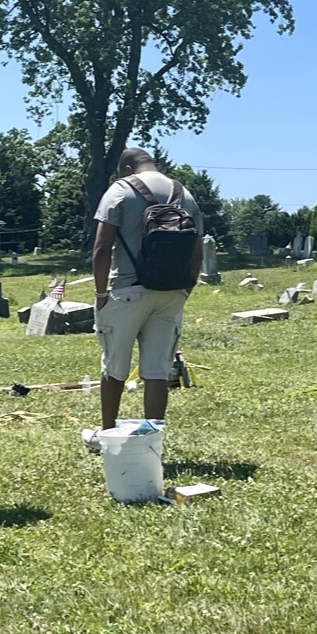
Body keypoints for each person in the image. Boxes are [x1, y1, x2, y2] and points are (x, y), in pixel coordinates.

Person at [90, 148, 203, 433]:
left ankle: (108, 433)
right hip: (171, 292)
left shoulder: (120, 190)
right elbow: (197, 251)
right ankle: (153, 436)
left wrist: (101, 294)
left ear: (127, 169)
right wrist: (185, 290)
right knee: (157, 371)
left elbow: (102, 248)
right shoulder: (184, 194)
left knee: (114, 367)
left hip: (127, 289)